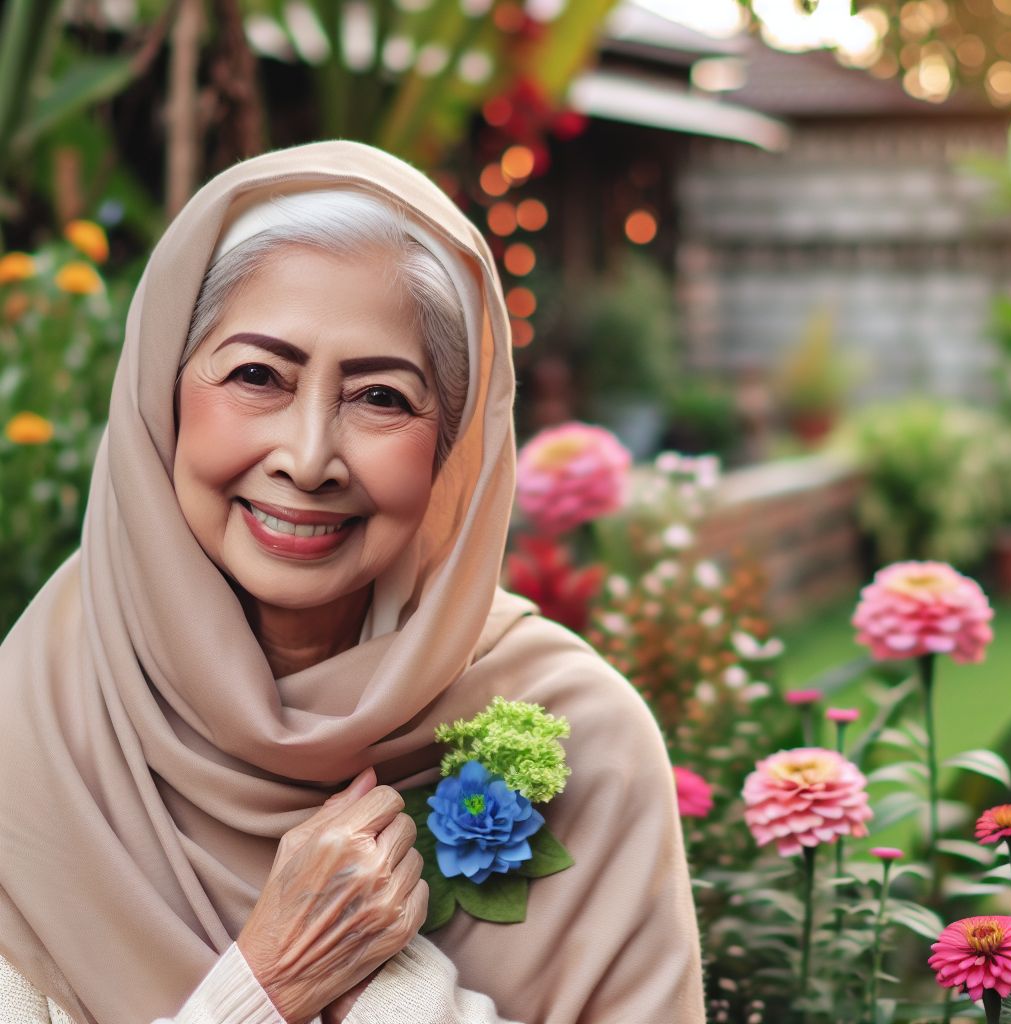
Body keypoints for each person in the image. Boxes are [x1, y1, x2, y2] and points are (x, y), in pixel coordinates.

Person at [0, 142, 705, 1024]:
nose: (307, 459)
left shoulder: (587, 745)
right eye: (257, 376)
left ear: (451, 452)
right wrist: (270, 985)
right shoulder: (31, 723)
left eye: (380, 398)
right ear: (162, 397)